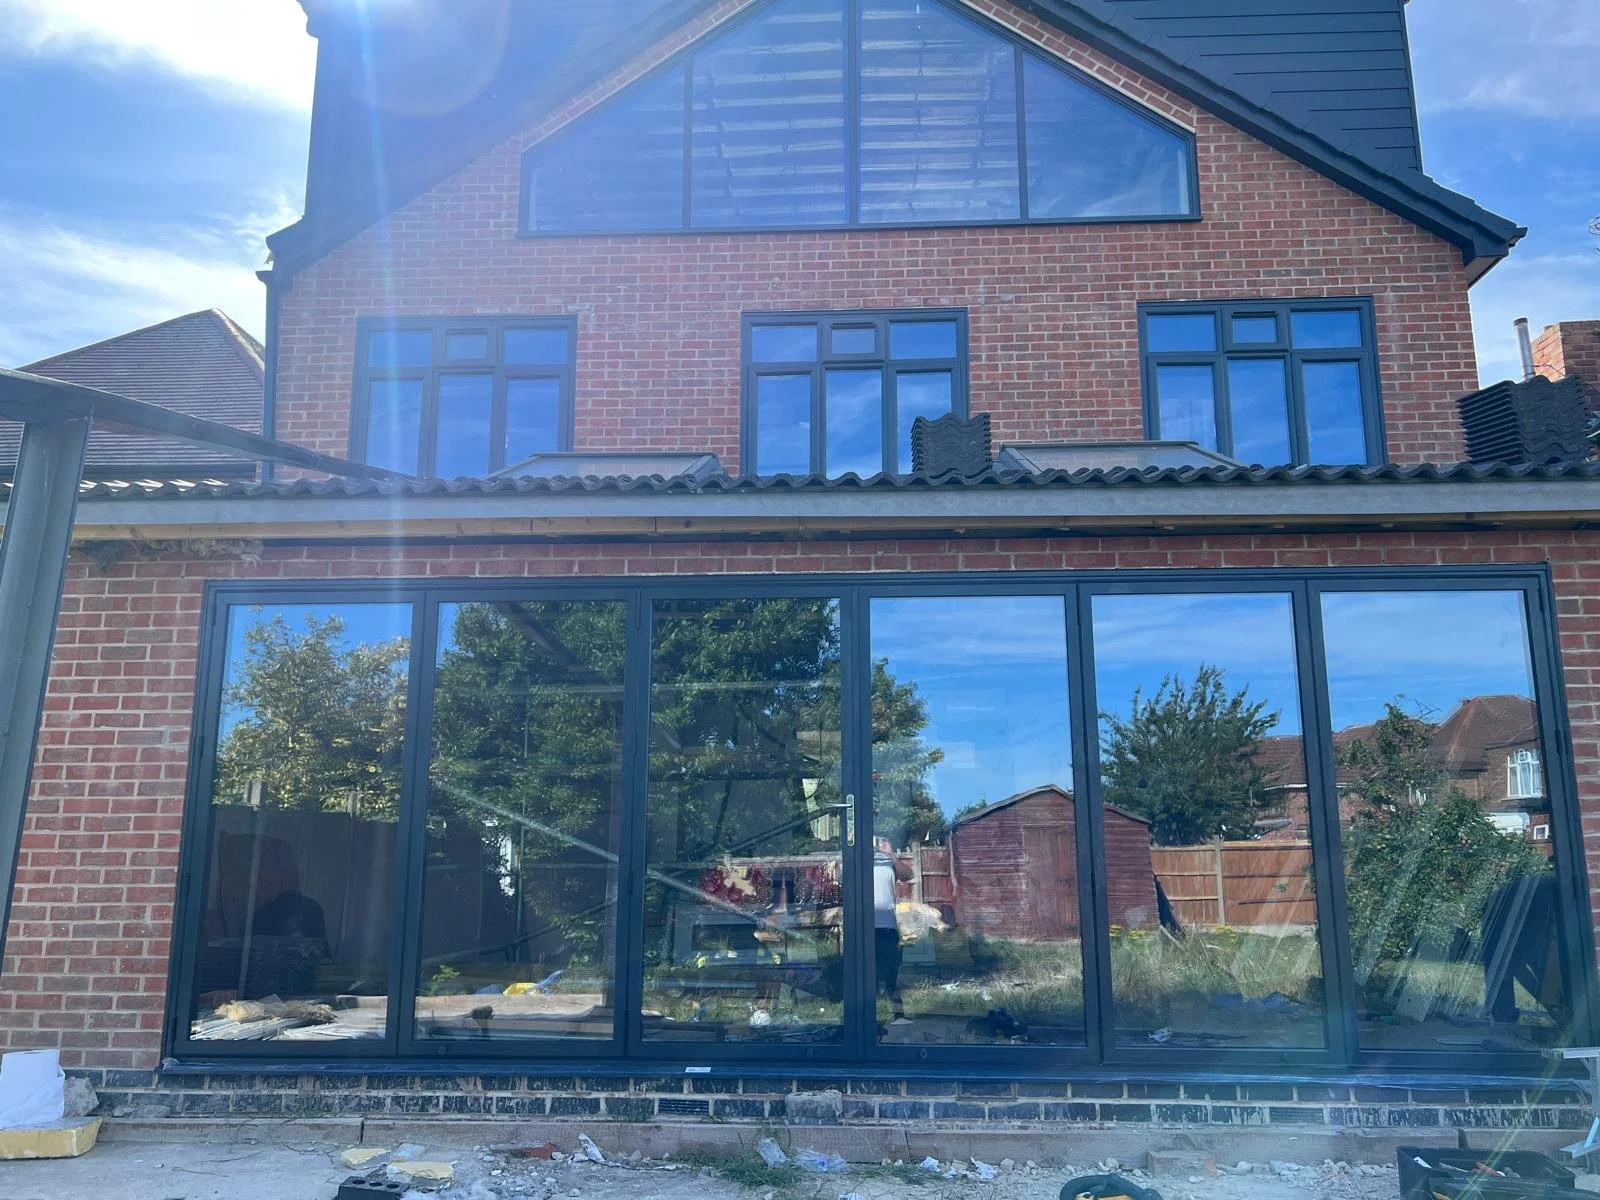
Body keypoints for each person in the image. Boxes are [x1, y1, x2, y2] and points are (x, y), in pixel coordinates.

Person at [874, 837, 914, 1023]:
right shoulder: (858, 861)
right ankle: (869, 1016)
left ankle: (897, 1015)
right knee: (866, 973)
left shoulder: (887, 862)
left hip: (887, 925)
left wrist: (891, 855)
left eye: (882, 841)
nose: (877, 844)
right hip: (863, 927)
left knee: (891, 972)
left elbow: (908, 875)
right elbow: (840, 876)